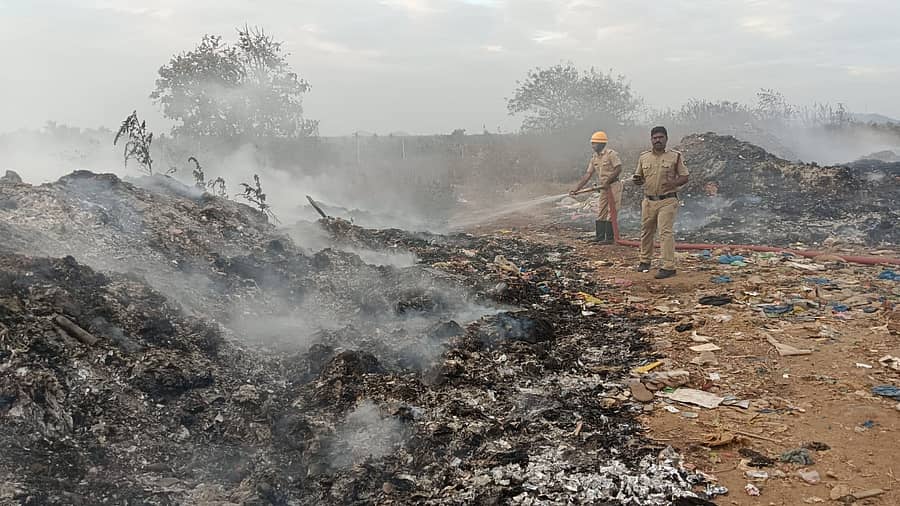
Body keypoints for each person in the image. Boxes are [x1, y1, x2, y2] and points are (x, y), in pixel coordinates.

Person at [632, 126, 689, 279]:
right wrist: (637, 180)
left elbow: (685, 176)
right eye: (655, 138)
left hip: (667, 200)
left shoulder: (675, 156)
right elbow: (639, 177)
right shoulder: (644, 157)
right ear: (651, 140)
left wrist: (674, 184)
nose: (657, 140)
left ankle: (668, 266)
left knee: (665, 233)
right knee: (646, 232)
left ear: (666, 139)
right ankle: (645, 261)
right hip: (649, 201)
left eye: (660, 137)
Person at [570, 131, 623, 243]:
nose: (592, 146)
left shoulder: (611, 154)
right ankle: (599, 237)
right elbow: (588, 174)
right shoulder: (594, 158)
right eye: (592, 143)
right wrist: (577, 189)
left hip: (614, 186)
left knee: (611, 210)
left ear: (601, 143)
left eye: (594, 143)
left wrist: (608, 181)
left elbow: (618, 168)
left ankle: (609, 238)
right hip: (604, 188)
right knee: (601, 211)